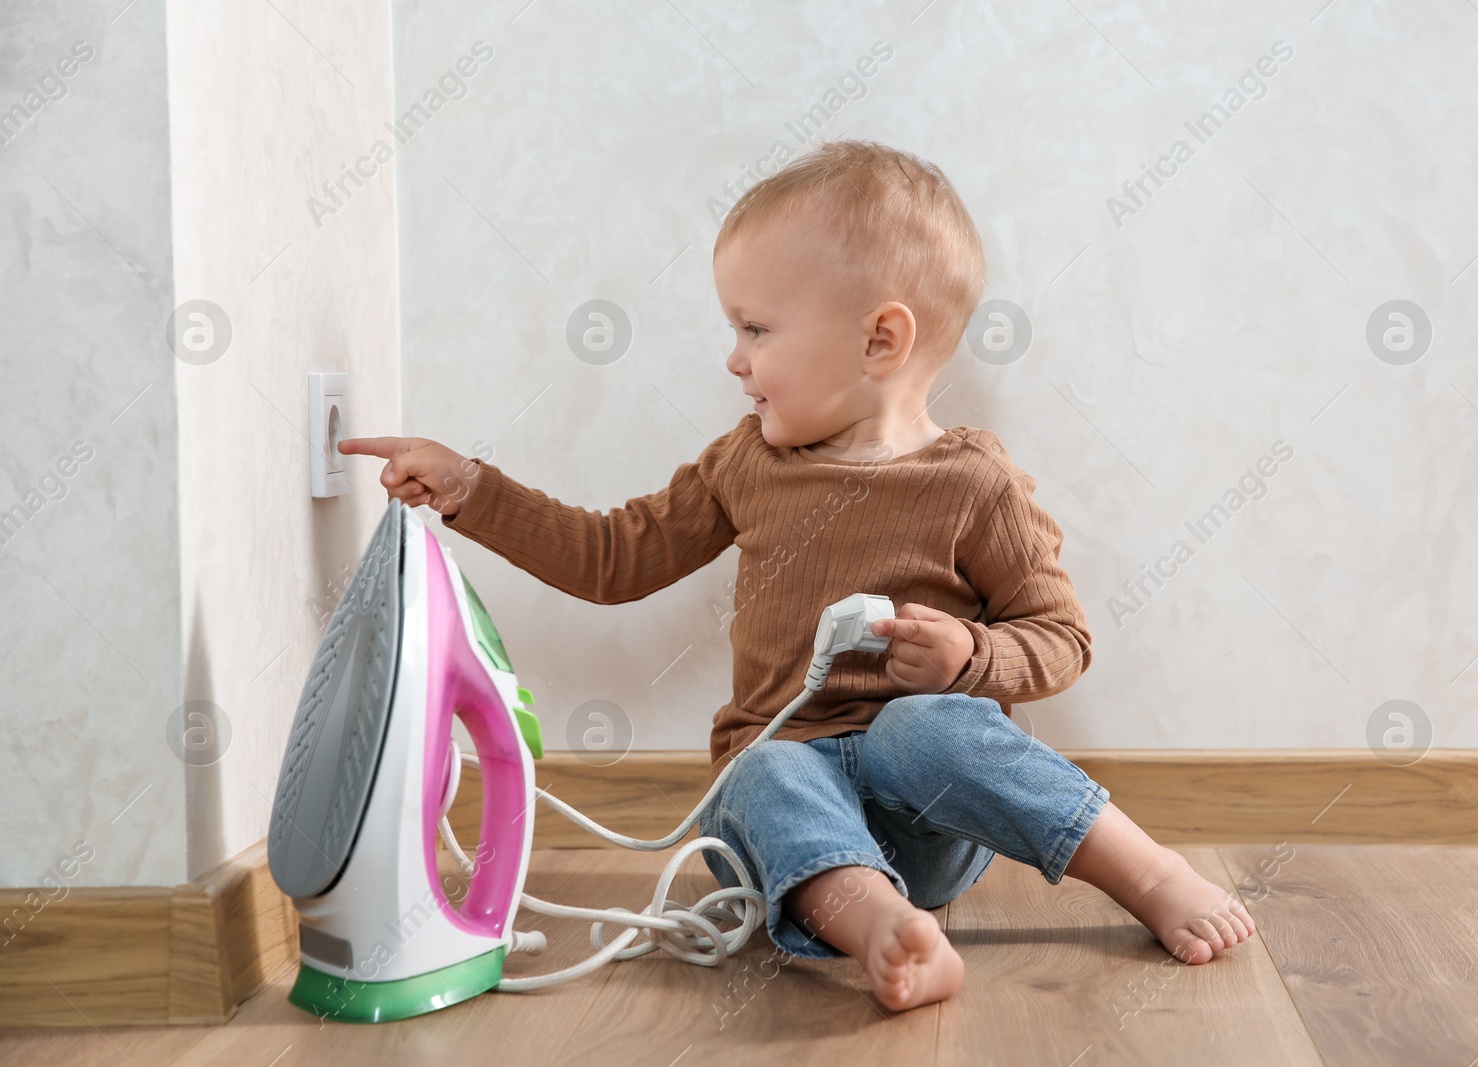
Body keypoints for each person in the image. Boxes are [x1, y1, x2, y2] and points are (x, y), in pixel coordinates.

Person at [339, 139, 1254, 1013]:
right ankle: (880, 928)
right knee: (766, 766)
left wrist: (970, 657)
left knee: (925, 728)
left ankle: (1149, 871)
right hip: (780, 828)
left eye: (756, 327)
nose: (734, 357)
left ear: (879, 341)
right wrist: (474, 491)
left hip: (929, 820)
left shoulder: (974, 485)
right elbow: (613, 557)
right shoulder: (747, 463)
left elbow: (1062, 638)